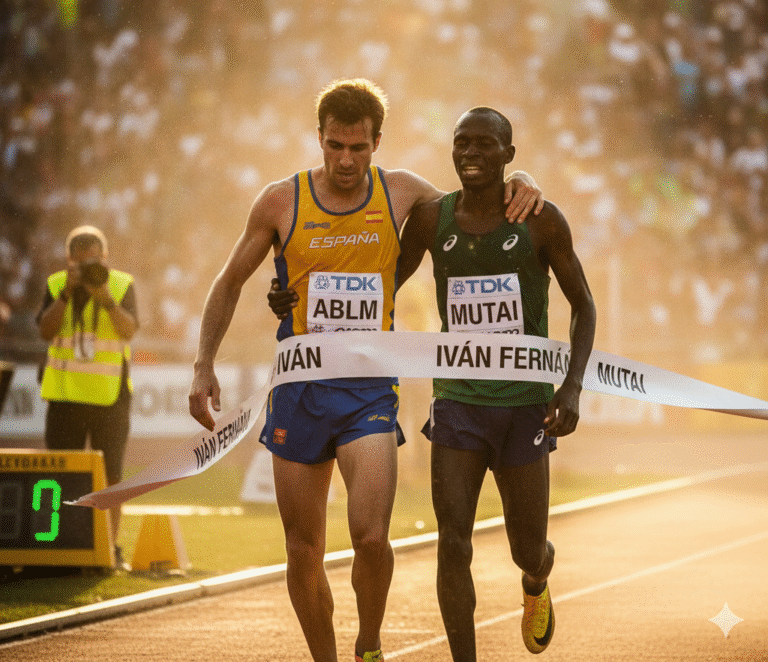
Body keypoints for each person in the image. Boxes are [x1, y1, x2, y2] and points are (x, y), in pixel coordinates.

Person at [188, 78, 543, 662]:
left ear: (377, 142)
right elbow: (228, 283)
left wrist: (523, 180)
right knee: (303, 551)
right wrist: (204, 363)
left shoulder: (401, 192)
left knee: (372, 538)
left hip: (368, 392)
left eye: (358, 147)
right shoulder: (280, 201)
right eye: (335, 146)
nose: (346, 160)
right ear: (319, 139)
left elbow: (476, 204)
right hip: (301, 388)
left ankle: (369, 645)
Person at [395, 107, 597, 660]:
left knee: (527, 549)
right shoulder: (431, 220)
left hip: (524, 406)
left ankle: (536, 580)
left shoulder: (540, 221)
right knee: (452, 543)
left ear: (509, 154)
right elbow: (380, 285)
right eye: (461, 142)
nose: (470, 153)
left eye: (485, 144)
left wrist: (571, 387)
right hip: (457, 403)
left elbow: (583, 305)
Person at [37, 225, 139, 565]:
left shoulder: (120, 284)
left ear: (105, 257)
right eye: (81, 264)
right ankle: (60, 548)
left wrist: (105, 298)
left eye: (94, 261)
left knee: (112, 476)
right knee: (61, 474)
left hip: (110, 397)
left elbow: (129, 330)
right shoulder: (56, 284)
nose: (88, 268)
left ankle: (109, 550)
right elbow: (45, 331)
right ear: (69, 262)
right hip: (64, 396)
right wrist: (67, 293)